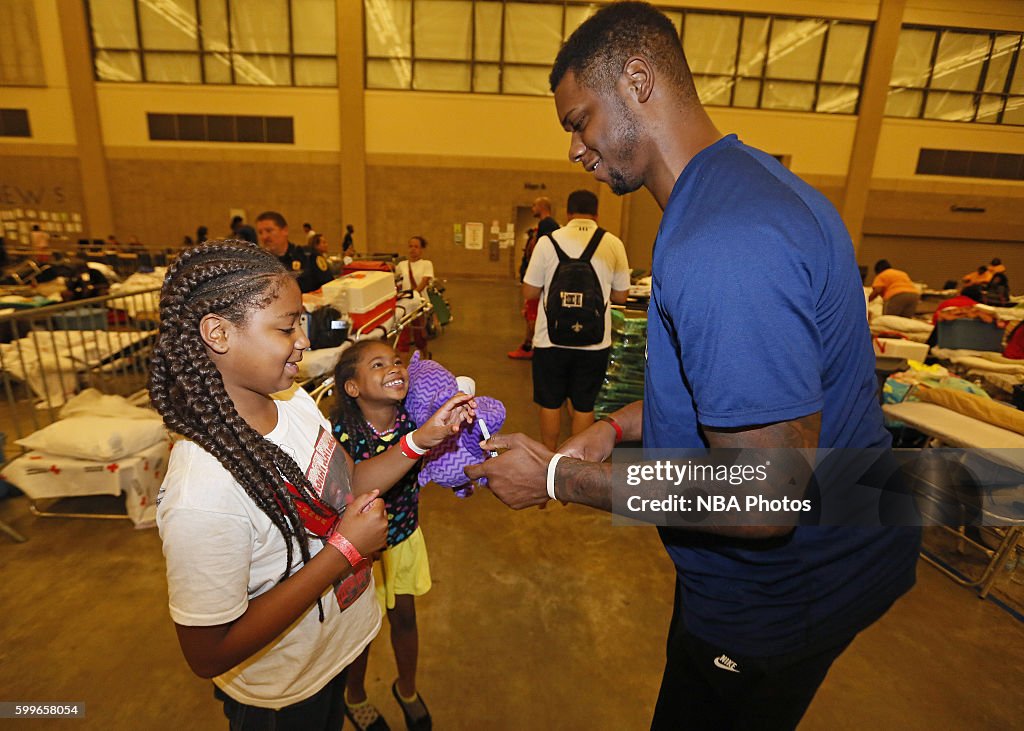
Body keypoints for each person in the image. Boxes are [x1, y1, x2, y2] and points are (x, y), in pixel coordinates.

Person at [466, 4, 920, 729]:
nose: (575, 150)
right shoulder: (748, 188)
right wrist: (616, 427)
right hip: (824, 556)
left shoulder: (723, 241)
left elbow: (766, 496)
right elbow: (746, 396)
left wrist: (558, 476)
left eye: (578, 121)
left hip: (780, 596)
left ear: (638, 80)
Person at [150, 241, 474, 729]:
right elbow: (207, 652)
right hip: (283, 696)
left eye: (301, 321)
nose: (303, 340)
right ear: (218, 333)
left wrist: (420, 441)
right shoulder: (203, 491)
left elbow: (351, 482)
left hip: (332, 655)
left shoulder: (292, 399)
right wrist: (341, 553)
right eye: (286, 326)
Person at [331, 341, 435, 731]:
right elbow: (352, 483)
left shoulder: (414, 419)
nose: (395, 368)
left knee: (405, 617)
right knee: (362, 629)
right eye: (377, 365)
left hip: (404, 534)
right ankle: (353, 695)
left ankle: (406, 688)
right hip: (359, 551)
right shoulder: (342, 431)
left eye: (396, 361)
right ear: (353, 388)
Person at [523, 189, 629, 450]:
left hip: (550, 340)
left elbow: (530, 292)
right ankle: (575, 460)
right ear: (596, 214)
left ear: (568, 213)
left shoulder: (548, 242)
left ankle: (549, 458)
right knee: (584, 403)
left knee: (550, 402)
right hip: (594, 342)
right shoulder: (613, 243)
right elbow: (622, 296)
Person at [509, 197, 560, 360]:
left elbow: (545, 253)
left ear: (541, 207)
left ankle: (529, 345)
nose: (532, 209)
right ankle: (530, 344)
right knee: (529, 313)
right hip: (538, 277)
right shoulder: (544, 226)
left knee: (532, 313)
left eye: (534, 206)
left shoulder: (547, 225)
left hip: (541, 280)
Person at [255, 210, 333, 293]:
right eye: (260, 232)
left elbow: (329, 288)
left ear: (285, 230)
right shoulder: (259, 263)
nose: (264, 237)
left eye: (269, 231)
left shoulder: (309, 257)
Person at [395, 236, 434, 359]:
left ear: (422, 249)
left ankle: (425, 357)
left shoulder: (426, 264)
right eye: (410, 246)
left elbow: (424, 282)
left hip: (419, 305)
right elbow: (396, 282)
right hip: (405, 306)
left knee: (419, 336)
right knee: (403, 337)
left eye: (416, 247)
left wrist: (413, 296)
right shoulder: (401, 265)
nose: (412, 249)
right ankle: (403, 366)